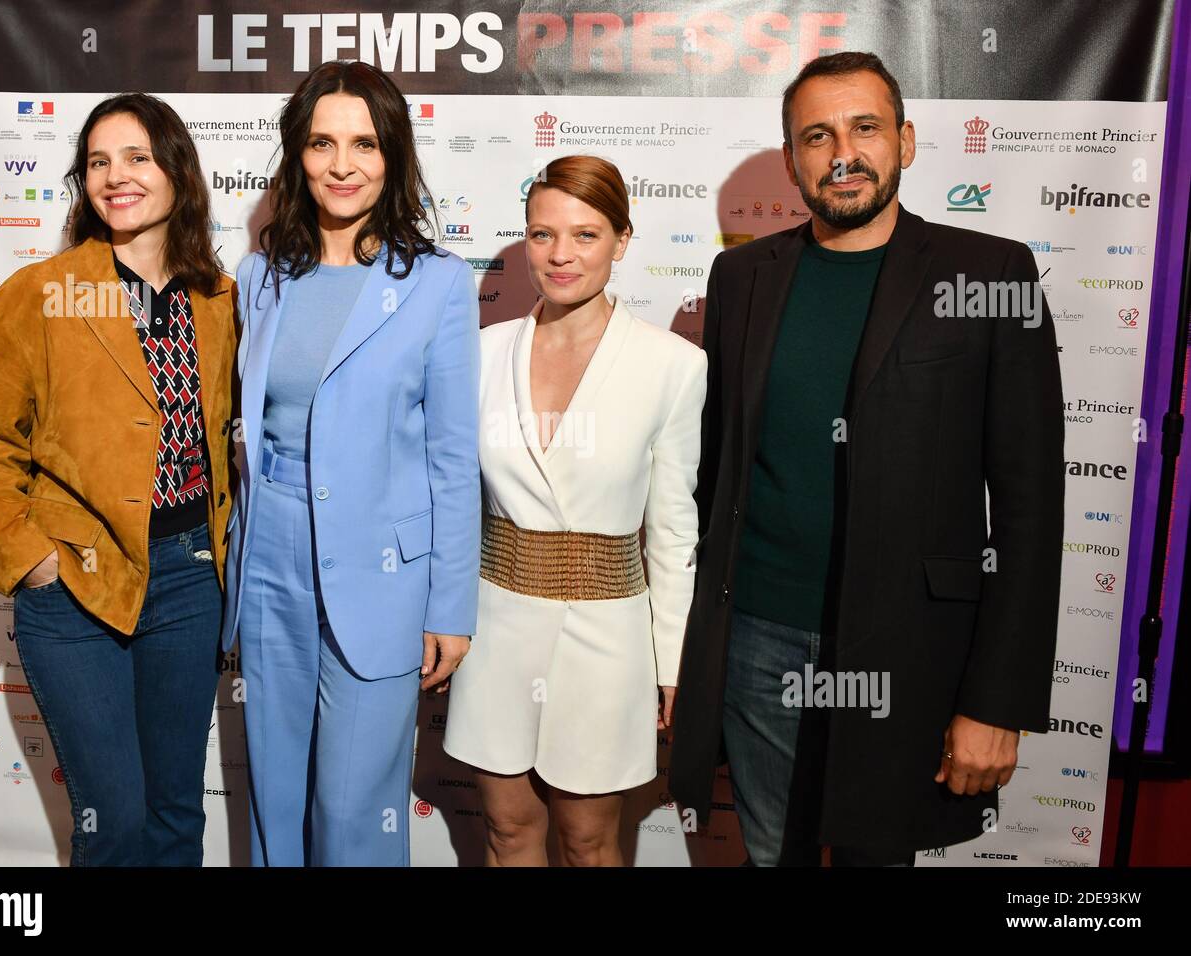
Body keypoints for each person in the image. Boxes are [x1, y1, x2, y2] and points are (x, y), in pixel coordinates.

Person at [669, 51, 1065, 866]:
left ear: (906, 142)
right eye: (816, 136)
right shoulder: (742, 276)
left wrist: (998, 701)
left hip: (908, 649)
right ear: (792, 160)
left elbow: (1030, 510)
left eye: (864, 128)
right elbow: (715, 473)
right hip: (757, 643)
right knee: (771, 851)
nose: (841, 153)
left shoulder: (991, 273)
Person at [0, 93, 235, 866]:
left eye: (138, 157)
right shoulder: (40, 294)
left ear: (177, 170)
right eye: (98, 162)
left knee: (176, 813)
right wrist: (30, 559)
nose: (116, 176)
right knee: (110, 825)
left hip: (187, 581)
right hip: (75, 586)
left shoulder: (218, 299)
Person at [221, 60, 480, 867]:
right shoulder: (260, 277)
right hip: (269, 567)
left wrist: (450, 604)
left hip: (383, 574)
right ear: (297, 155)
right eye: (322, 143)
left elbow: (453, 456)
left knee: (354, 810)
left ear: (393, 155)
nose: (342, 164)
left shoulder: (438, 284)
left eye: (364, 144)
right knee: (274, 796)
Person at [444, 155, 707, 866]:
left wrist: (674, 661)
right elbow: (451, 504)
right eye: (541, 235)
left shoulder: (673, 365)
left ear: (623, 240)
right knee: (507, 832)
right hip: (496, 626)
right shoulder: (479, 353)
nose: (561, 256)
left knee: (590, 841)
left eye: (586, 235)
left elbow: (674, 530)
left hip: (610, 634)